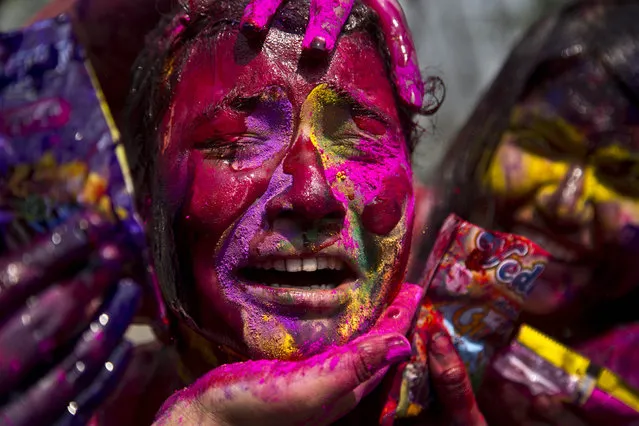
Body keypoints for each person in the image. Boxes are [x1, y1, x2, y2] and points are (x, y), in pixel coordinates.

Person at [0, 1, 477, 425]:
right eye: (238, 142)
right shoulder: (69, 401)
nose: (312, 195)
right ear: (145, 210)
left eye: (358, 142)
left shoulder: (488, 395)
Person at [411, 0, 639, 424]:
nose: (564, 203)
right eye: (544, 144)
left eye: (623, 176)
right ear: (491, 130)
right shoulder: (382, 262)